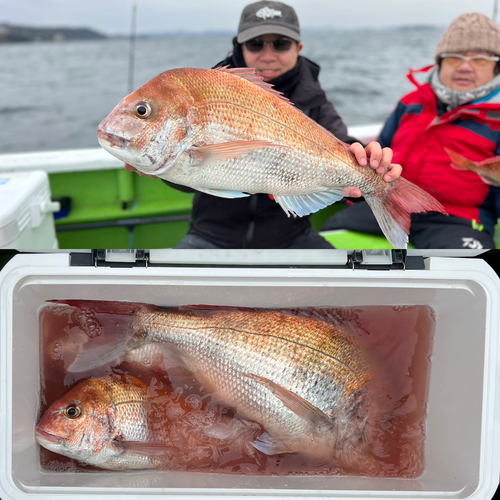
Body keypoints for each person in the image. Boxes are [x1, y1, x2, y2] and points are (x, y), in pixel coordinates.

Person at [126, 1, 402, 249]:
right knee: (167, 299)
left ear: (298, 48)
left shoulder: (315, 101)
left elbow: (340, 149)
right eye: (256, 44)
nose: (268, 55)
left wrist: (370, 166)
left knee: (343, 296)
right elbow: (194, 174)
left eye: (280, 43)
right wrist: (162, 168)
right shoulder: (207, 92)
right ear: (240, 46)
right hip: (211, 236)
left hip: (291, 238)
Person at [323, 12, 500, 249]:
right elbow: (380, 153)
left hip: (458, 219)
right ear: (440, 62)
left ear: (496, 67)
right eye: (454, 58)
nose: (465, 67)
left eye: (480, 59)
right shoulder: (411, 103)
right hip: (390, 202)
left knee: (465, 273)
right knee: (324, 247)